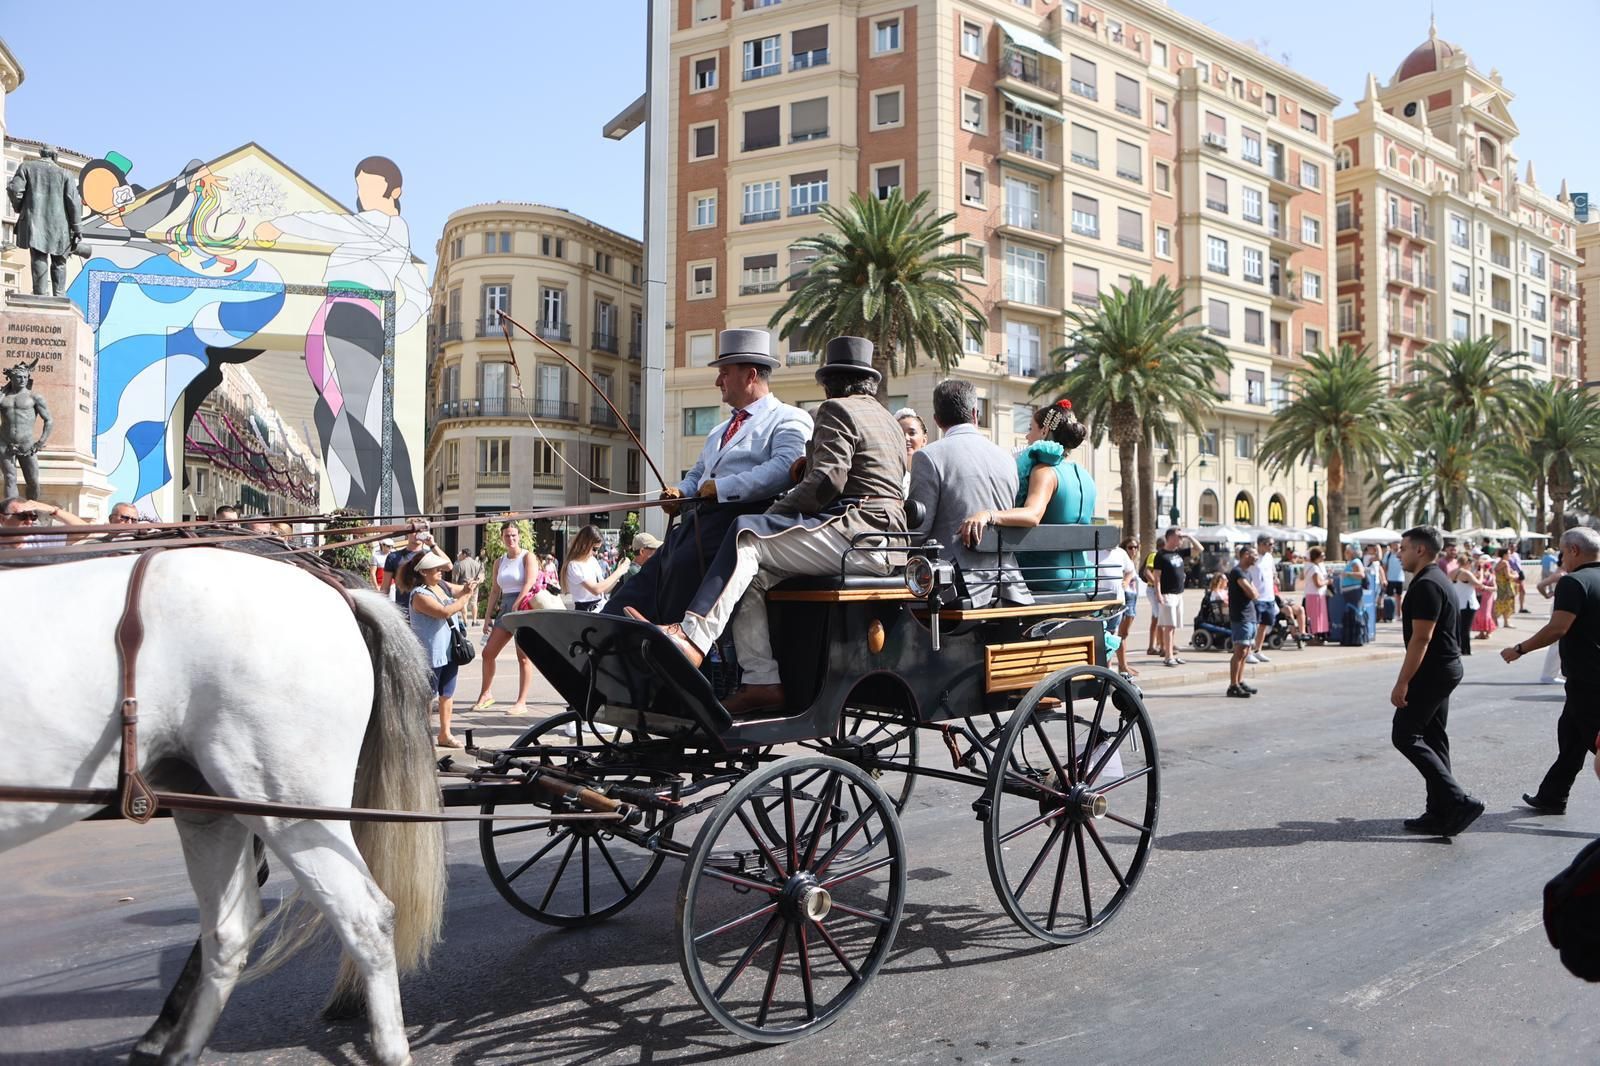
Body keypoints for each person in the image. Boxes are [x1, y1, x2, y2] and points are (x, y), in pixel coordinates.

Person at [637, 337, 907, 716]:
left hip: (857, 532)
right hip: (888, 539)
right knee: (752, 576)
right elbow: (860, 474)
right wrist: (806, 470)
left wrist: (778, 511)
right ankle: (762, 682)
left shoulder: (835, 409)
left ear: (832, 382)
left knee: (747, 533)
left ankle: (692, 637)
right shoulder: (889, 421)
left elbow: (828, 481)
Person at [605, 329, 812, 623]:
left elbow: (786, 468)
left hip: (742, 522)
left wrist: (723, 488)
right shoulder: (718, 431)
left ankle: (670, 636)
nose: (718, 381)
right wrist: (680, 492)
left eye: (724, 373)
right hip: (701, 523)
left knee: (683, 564)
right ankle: (608, 624)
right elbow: (699, 474)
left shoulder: (790, 418)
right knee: (653, 569)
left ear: (750, 375)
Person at [1389, 525, 1482, 836]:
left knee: (1405, 735)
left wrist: (1403, 682)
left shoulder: (1428, 584)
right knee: (1433, 737)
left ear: (1420, 550)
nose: (1398, 553)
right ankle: (1440, 810)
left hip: (1433, 671)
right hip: (1443, 669)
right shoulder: (1437, 578)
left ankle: (1457, 800)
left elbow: (1422, 638)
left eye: (1403, 548)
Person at [908, 379, 1030, 608]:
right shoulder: (1006, 458)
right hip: (1008, 585)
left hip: (954, 587)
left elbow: (918, 531)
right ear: (975, 413)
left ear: (937, 419)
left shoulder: (929, 456)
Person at [1503, 528, 1600, 815]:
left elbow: (1557, 628)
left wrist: (1519, 649)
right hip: (1588, 679)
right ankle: (1553, 795)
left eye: (1561, 552)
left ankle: (1553, 795)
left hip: (1588, 679)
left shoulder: (1574, 583)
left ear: (1573, 551)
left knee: (1593, 740)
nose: (1561, 559)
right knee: (1570, 737)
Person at [959, 399, 1096, 595]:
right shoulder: (1085, 476)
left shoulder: (1045, 471)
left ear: (1044, 431)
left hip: (1043, 575)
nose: (1026, 435)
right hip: (1080, 576)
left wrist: (988, 515)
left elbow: (1032, 515)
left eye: (1030, 428)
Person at [403, 548, 480, 748]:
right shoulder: (419, 594)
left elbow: (452, 572)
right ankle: (422, 735)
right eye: (434, 568)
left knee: (448, 692)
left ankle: (444, 734)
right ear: (423, 572)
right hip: (430, 652)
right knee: (427, 695)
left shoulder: (442, 586)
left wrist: (467, 588)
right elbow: (444, 612)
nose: (440, 570)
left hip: (449, 650)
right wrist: (465, 598)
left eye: (438, 567)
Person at [470, 521, 539, 714]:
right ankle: (486, 694)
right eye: (507, 535)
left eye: (514, 535)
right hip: (505, 607)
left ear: (519, 536)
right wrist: (487, 617)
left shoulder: (527, 556)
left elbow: (530, 581)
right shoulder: (499, 561)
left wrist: (518, 602)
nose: (511, 538)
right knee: (488, 653)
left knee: (523, 657)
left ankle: (521, 702)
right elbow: (494, 590)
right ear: (502, 537)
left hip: (523, 606)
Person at [1152, 527, 1195, 667]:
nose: (1181, 539)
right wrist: (1158, 593)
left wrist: (1188, 536)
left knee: (1174, 626)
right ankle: (1168, 655)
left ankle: (1171, 653)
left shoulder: (1179, 553)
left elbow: (1199, 549)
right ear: (1170, 537)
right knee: (1168, 626)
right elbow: (1156, 577)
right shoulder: (1161, 555)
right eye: (1178, 536)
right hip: (1167, 593)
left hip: (1179, 594)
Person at [1101, 535, 1141, 678]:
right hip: (1101, 602)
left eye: (1136, 547)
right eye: (1131, 547)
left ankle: (1110, 668)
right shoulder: (1094, 551)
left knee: (1112, 635)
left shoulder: (1120, 553)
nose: (1134, 550)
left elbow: (1130, 571)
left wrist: (1126, 580)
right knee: (1105, 635)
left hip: (1118, 602)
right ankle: (1108, 668)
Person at [566, 525, 627, 612]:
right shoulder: (574, 565)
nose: (596, 553)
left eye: (598, 549)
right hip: (586, 611)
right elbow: (596, 589)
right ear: (584, 544)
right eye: (594, 549)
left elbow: (604, 589)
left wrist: (618, 574)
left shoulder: (593, 561)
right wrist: (618, 571)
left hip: (600, 608)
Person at [378, 520, 432, 618]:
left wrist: (433, 544)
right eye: (415, 531)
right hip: (404, 612)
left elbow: (449, 567)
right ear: (407, 533)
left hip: (427, 611)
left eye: (421, 531)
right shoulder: (394, 557)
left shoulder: (430, 555)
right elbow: (385, 588)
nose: (418, 534)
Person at [1226, 545, 1260, 698]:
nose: (1256, 557)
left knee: (1246, 651)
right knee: (1239, 650)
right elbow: (1252, 593)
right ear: (1245, 555)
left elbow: (1255, 592)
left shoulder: (1247, 573)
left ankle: (1240, 681)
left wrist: (1253, 593)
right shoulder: (1237, 572)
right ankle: (1233, 685)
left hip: (1250, 615)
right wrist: (1253, 593)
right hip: (1241, 616)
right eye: (1254, 554)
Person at [0, 496, 89, 548]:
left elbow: (84, 532)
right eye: (22, 516)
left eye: (33, 517)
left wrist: (52, 510)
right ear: (2, 519)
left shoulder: (38, 539)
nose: (29, 521)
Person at [1448, 547, 1489, 656]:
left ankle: (1458, 648)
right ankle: (1465, 650)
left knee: (1458, 628)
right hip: (1467, 603)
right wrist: (1481, 573)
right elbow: (1479, 584)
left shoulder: (1452, 572)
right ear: (1467, 563)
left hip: (1457, 603)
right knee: (1466, 629)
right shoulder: (1466, 573)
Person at [1247, 535, 1278, 664]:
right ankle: (1247, 652)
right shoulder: (1254, 558)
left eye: (1272, 544)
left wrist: (1276, 580)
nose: (1272, 547)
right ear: (1260, 544)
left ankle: (1258, 650)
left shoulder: (1270, 557)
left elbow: (1273, 572)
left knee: (1264, 625)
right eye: (1269, 544)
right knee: (1252, 626)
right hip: (1257, 597)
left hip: (1269, 596)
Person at [1302, 546, 1330, 643]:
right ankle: (1312, 637)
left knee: (1315, 616)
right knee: (1314, 617)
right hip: (1315, 595)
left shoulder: (1311, 566)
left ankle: (1315, 637)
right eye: (1322, 556)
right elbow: (1318, 583)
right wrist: (1327, 582)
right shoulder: (1314, 568)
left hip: (1314, 594)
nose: (1323, 558)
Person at [452, 549, 484, 624]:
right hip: (474, 586)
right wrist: (476, 582)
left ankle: (465, 621)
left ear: (464, 554)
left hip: (463, 586)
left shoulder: (459, 564)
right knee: (474, 603)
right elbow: (481, 575)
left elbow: (455, 577)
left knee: (464, 603)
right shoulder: (477, 564)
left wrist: (455, 586)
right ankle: (474, 620)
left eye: (461, 554)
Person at [1473, 551, 1498, 638]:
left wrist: (1486, 588)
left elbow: (1495, 588)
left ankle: (1488, 631)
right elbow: (1475, 584)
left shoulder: (1491, 575)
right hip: (1479, 596)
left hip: (1487, 597)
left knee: (1486, 614)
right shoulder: (1478, 574)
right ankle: (1481, 632)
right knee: (1479, 614)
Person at [1492, 548, 1517, 630]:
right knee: (1504, 603)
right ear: (1504, 555)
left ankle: (1504, 622)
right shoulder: (1505, 562)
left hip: (1501, 585)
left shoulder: (1500, 562)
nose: (1510, 555)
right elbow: (1508, 576)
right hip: (1505, 586)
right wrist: (1516, 576)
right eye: (1509, 554)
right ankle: (1498, 621)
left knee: (1504, 603)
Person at [1382, 540, 1406, 612]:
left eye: (1397, 545)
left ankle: (1399, 613)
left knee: (1400, 597)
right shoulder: (1388, 554)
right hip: (1390, 578)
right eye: (1394, 545)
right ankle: (1391, 613)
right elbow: (1385, 567)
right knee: (1390, 597)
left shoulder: (1402, 554)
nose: (1396, 546)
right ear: (1392, 546)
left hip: (1400, 578)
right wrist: (1384, 578)